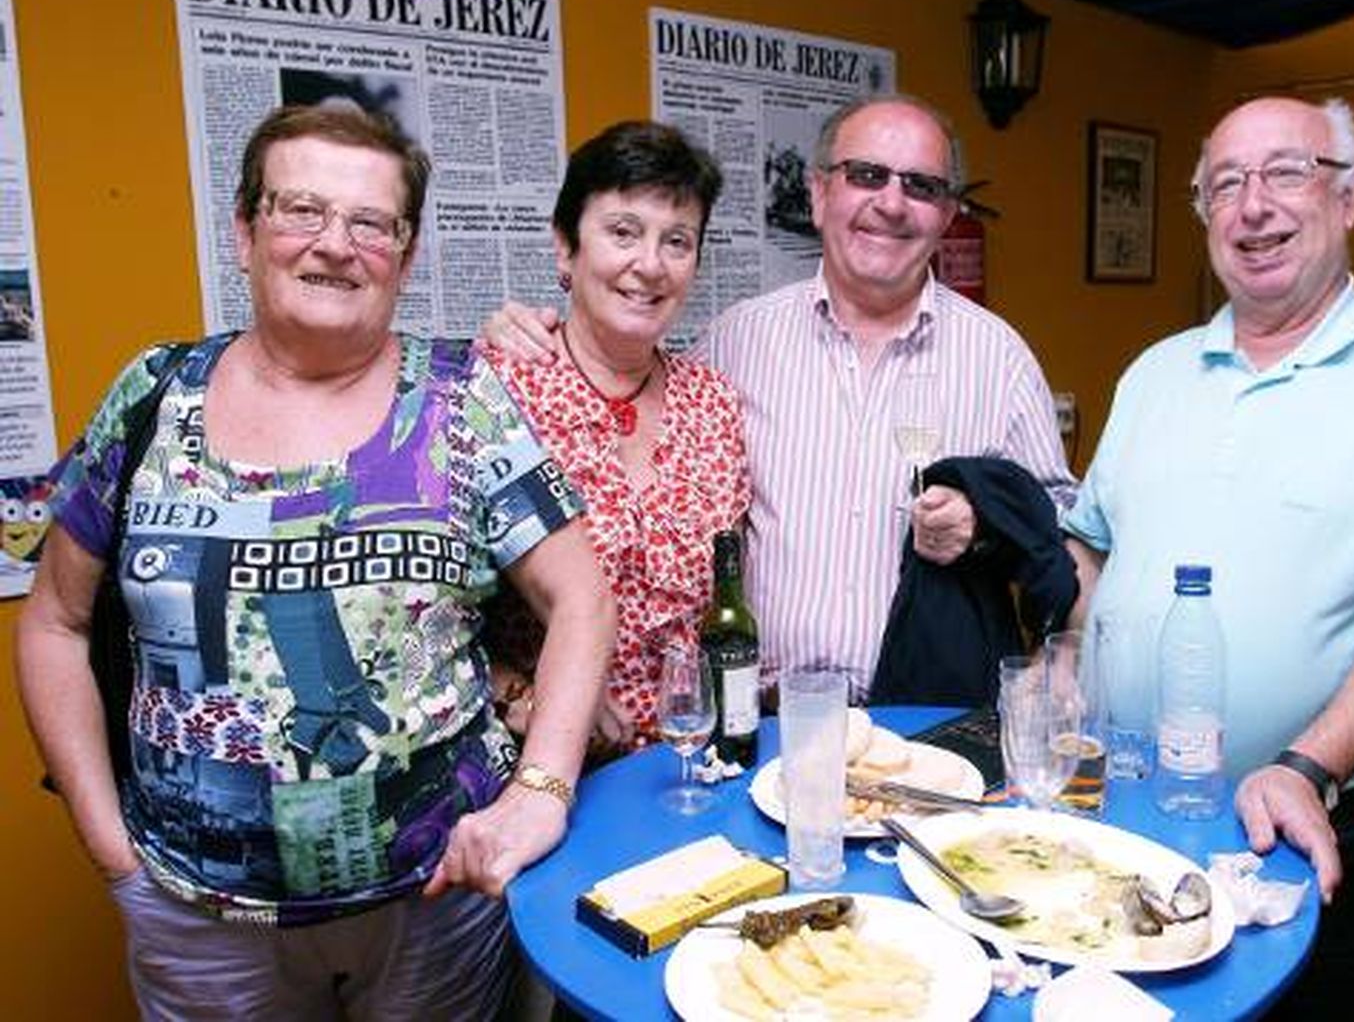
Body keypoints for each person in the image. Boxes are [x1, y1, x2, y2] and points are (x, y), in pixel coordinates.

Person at [15, 104, 615, 1018]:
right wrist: (112, 852)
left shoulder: (462, 400)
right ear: (245, 231)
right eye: (302, 210)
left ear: (405, 256)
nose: (335, 244)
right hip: (200, 917)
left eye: (372, 223)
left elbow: (581, 597)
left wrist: (540, 792)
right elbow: (54, 623)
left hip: (434, 903)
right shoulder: (153, 395)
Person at [1064, 96, 1354, 1019]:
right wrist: (1070, 674)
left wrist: (1309, 766)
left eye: (1285, 173)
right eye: (1225, 184)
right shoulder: (1153, 372)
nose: (1253, 206)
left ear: (1350, 195)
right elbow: (1090, 547)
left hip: (1312, 816)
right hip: (1130, 811)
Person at [487, 94, 1074, 700]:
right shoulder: (733, 344)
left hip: (925, 721)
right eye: (866, 175)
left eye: (921, 186)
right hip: (764, 722)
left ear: (946, 214)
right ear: (818, 194)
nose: (892, 203)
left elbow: (1061, 534)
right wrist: (505, 341)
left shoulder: (999, 360)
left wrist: (984, 524)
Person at [479, 120, 749, 753]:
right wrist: (521, 696)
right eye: (623, 232)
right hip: (545, 766)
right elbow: (421, 612)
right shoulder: (495, 392)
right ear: (565, 247)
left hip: (694, 758)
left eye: (677, 241)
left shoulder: (713, 402)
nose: (649, 265)